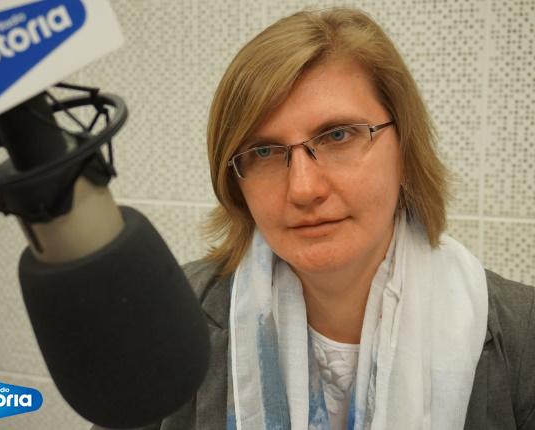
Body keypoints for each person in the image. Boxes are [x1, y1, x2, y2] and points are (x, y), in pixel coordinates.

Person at [94, 6, 534, 430]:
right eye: (264, 151)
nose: (303, 189)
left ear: (405, 149)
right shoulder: (170, 318)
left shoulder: (523, 335)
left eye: (338, 135)